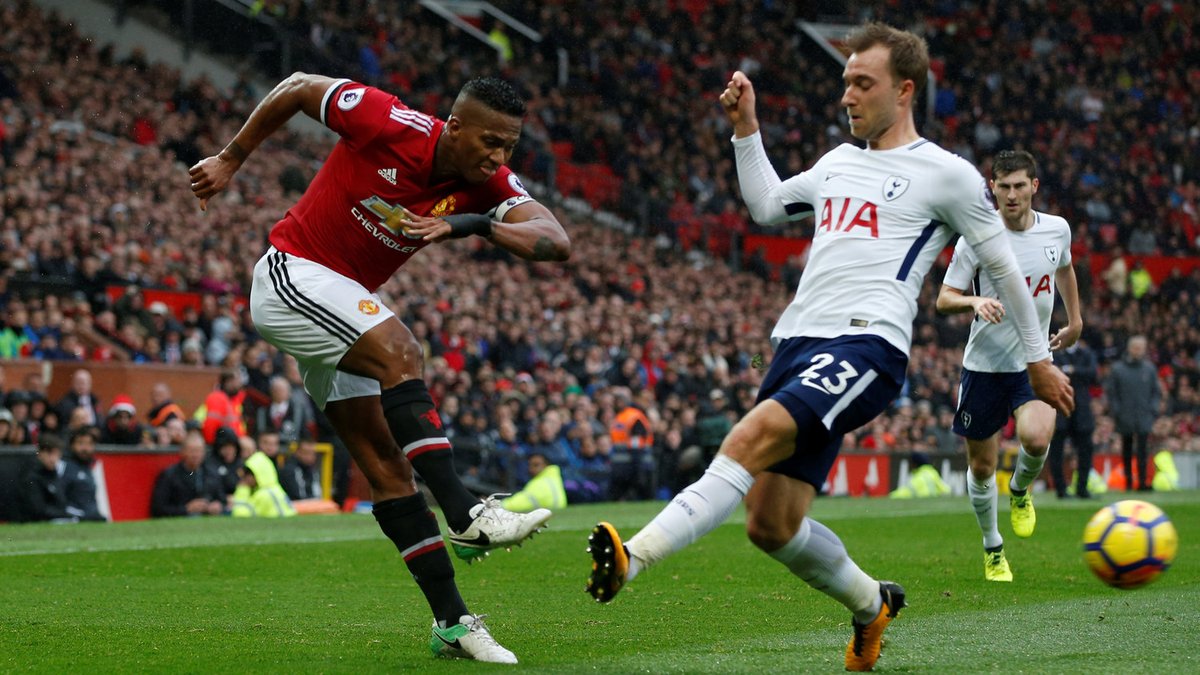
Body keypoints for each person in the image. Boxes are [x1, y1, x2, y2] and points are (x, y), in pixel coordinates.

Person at [583, 24, 1073, 673]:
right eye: (845, 82)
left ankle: (634, 557)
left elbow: (1005, 267)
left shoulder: (947, 175)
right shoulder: (836, 163)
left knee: (750, 435)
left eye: (863, 83)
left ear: (904, 91)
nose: (848, 95)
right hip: (796, 342)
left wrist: (1038, 360)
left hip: (868, 343)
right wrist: (746, 129)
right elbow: (765, 206)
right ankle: (873, 604)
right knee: (770, 523)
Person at [189, 71, 571, 664]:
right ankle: (466, 513)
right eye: (491, 142)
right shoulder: (387, 120)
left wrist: (470, 223)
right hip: (293, 272)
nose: (500, 158)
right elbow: (297, 86)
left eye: (510, 147)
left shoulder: (488, 185)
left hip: (338, 309)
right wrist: (230, 158)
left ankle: (453, 624)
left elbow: (555, 240)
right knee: (402, 351)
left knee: (388, 469)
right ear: (455, 126)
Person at [935, 149, 1082, 582]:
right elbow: (944, 298)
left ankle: (1019, 490)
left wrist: (1075, 320)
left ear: (1034, 186)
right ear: (992, 188)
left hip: (1034, 361)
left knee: (1036, 438)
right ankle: (993, 547)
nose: (1012, 194)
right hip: (983, 367)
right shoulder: (975, 237)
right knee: (982, 468)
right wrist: (973, 301)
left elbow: (1065, 268)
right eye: (1004, 187)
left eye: (1020, 185)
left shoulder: (1057, 229)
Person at [1105, 335, 1161, 491]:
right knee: (1126, 450)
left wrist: (1153, 409)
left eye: (1141, 348)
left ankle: (1143, 482)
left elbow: (1156, 392)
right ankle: (1128, 482)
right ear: (1129, 349)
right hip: (1125, 415)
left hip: (1144, 415)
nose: (1138, 351)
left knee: (1143, 450)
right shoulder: (1118, 369)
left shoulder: (1149, 369)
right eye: (1136, 348)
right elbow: (1112, 393)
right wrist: (1117, 411)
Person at [1048, 339, 1099, 498]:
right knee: (1056, 450)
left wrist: (1071, 370)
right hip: (1060, 407)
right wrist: (1076, 372)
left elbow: (1093, 374)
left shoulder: (1086, 353)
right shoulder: (1054, 354)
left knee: (1086, 449)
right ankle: (1061, 489)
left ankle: (1082, 488)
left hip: (1081, 409)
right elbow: (1049, 374)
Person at [150, 429, 227, 517]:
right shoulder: (169, 475)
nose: (195, 455)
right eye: (192, 451)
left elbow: (222, 500)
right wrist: (186, 509)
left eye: (198, 451)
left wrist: (217, 506)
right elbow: (158, 509)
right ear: (182, 452)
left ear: (204, 453)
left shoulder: (212, 474)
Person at [19, 435, 74, 522]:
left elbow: (61, 502)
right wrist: (65, 515)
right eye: (49, 453)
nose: (53, 459)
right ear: (40, 454)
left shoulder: (54, 474)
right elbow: (38, 509)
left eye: (56, 454)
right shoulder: (31, 476)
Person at [230, 450, 297, 518]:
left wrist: (242, 489)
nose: (245, 478)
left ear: (257, 474)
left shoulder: (264, 494)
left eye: (248, 474)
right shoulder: (274, 489)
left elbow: (240, 514)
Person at [64, 427, 106, 522]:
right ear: (71, 445)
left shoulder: (93, 467)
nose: (85, 448)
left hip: (93, 517)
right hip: (74, 519)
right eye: (80, 443)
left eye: (89, 444)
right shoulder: (63, 466)